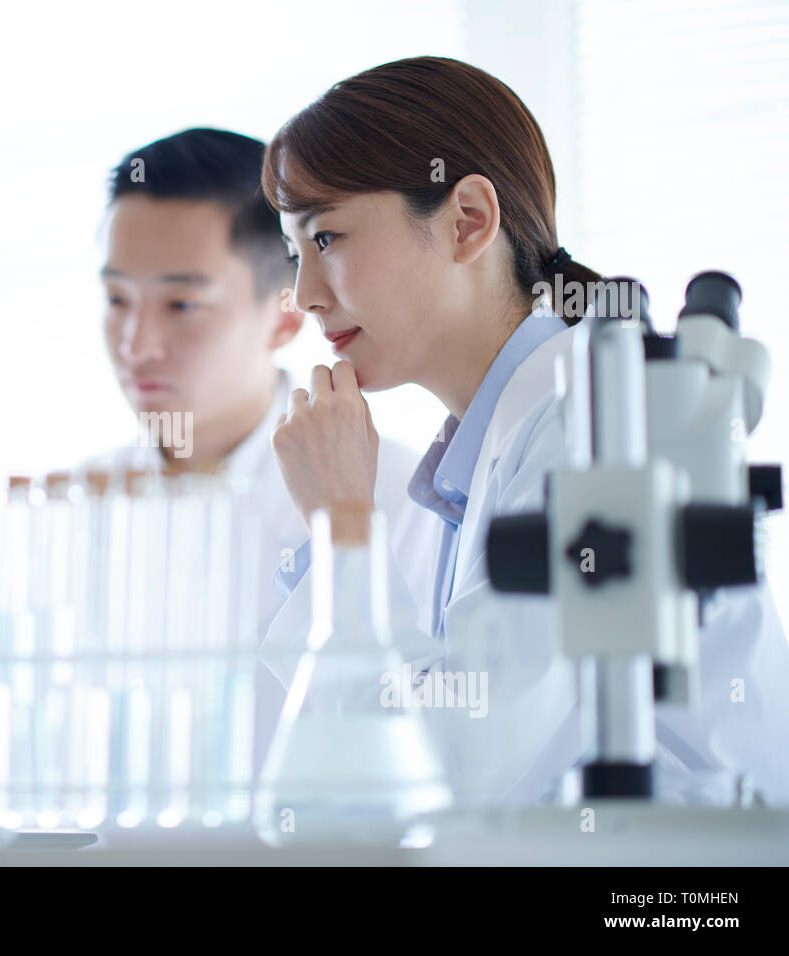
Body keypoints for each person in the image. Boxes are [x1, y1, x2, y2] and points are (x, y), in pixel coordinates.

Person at [0, 128, 440, 829]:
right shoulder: (61, 511)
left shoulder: (394, 499)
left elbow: (430, 761)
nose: (136, 345)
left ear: (285, 315)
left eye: (181, 305)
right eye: (117, 301)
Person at [259, 55, 789, 805]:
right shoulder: (501, 445)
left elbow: (441, 771)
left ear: (468, 221)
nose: (305, 295)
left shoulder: (590, 426)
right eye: (292, 253)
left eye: (326, 239)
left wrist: (340, 522)